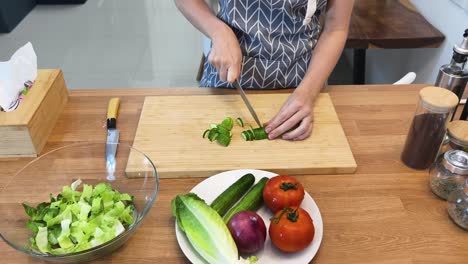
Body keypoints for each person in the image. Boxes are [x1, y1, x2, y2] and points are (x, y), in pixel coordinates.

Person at [175, 0, 354, 141]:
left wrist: (307, 93)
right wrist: (218, 31)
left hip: (304, 80)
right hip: (227, 80)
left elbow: (336, 29)